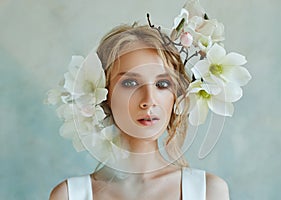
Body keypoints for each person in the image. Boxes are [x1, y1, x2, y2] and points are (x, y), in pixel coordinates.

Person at [49, 23, 230, 200]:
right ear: (104, 95)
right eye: (130, 83)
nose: (149, 100)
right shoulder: (70, 195)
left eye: (162, 84)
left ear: (177, 95)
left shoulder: (208, 192)